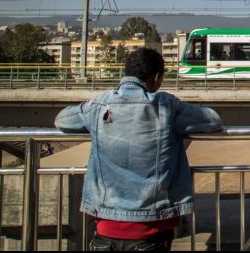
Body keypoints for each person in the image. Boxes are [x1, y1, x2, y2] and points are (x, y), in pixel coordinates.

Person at [55, 48, 223, 251]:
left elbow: (62, 120)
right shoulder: (166, 106)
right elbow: (212, 120)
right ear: (156, 77)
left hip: (105, 226)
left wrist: (92, 109)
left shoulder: (100, 105)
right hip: (151, 229)